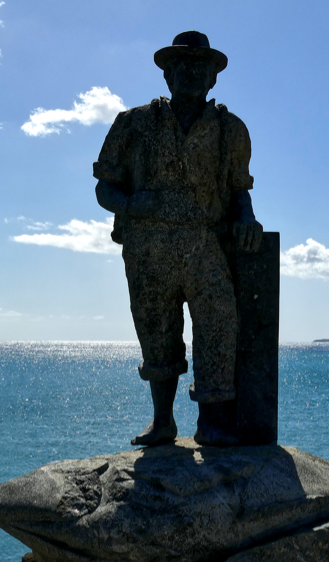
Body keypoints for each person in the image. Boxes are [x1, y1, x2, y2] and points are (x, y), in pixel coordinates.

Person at [93, 31, 263, 447]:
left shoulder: (231, 129)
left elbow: (240, 190)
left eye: (200, 67)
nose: (190, 74)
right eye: (181, 66)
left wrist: (248, 218)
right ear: (166, 74)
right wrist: (135, 206)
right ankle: (162, 421)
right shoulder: (133, 123)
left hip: (205, 245)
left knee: (217, 327)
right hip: (147, 249)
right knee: (156, 330)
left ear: (213, 78)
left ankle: (211, 421)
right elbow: (104, 188)